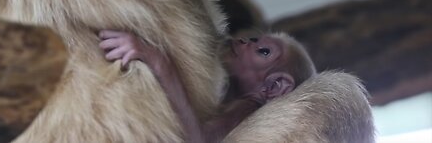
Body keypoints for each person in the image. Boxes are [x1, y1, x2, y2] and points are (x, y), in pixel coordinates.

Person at [98, 30, 316, 143]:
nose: (245, 42)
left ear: (276, 86)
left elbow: (197, 140)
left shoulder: (248, 113)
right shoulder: (229, 100)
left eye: (263, 52)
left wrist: (157, 60)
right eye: (252, 39)